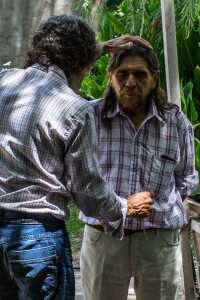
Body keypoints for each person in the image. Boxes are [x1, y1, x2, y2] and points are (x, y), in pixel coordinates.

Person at [0, 15, 154, 300]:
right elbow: (88, 191)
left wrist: (99, 47)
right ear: (81, 64)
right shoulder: (75, 109)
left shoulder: (4, 80)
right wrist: (125, 207)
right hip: (37, 236)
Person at [80, 43, 199, 300]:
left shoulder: (176, 123)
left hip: (158, 241)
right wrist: (121, 206)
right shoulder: (89, 117)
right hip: (105, 236)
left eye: (140, 74)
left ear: (154, 78)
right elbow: (77, 178)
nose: (131, 82)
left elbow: (187, 176)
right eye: (123, 74)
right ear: (111, 76)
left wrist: (167, 205)